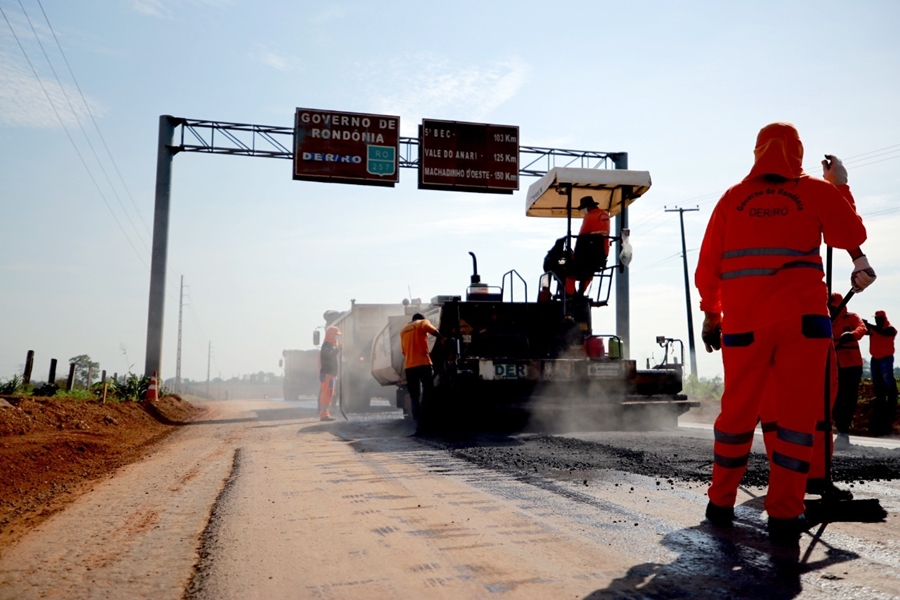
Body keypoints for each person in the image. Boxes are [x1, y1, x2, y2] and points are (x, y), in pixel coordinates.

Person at [695, 122, 874, 543]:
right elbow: (851, 235)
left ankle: (719, 502)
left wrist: (710, 314)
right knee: (796, 420)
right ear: (797, 152)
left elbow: (708, 266)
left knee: (736, 414)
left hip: (743, 326)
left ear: (758, 152)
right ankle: (784, 513)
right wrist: (840, 186)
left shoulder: (732, 199)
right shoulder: (815, 191)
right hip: (803, 325)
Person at [829, 292, 867, 449]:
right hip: (834, 365)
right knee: (836, 398)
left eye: (833, 307)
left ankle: (844, 432)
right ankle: (841, 430)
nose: (831, 309)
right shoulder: (826, 318)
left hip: (852, 365)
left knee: (850, 399)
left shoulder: (851, 317)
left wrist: (851, 335)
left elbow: (862, 328)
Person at [400, 313, 444, 431]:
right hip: (423, 364)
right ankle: (428, 420)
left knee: (414, 396)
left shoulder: (403, 330)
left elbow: (404, 351)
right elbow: (431, 330)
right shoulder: (422, 323)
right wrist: (442, 338)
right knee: (428, 391)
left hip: (409, 366)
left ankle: (419, 425)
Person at [566, 196, 610, 296]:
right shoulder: (605, 215)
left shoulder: (589, 216)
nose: (583, 211)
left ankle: (570, 294)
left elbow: (581, 237)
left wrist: (574, 255)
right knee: (589, 272)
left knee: (568, 271)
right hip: (601, 255)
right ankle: (581, 293)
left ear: (587, 207)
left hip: (586, 256)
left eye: (583, 208)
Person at [865, 310, 897, 436]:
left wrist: (869, 325)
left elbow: (884, 333)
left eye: (879, 318)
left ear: (883, 318)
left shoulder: (890, 329)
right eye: (876, 318)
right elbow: (865, 331)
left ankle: (892, 394)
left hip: (886, 357)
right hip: (875, 357)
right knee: (877, 379)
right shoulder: (874, 329)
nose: (877, 320)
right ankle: (880, 395)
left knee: (887, 377)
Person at [317, 325, 341, 421]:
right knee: (326, 394)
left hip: (330, 374)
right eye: (336, 335)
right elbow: (329, 356)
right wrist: (338, 349)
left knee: (329, 394)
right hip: (327, 374)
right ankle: (324, 414)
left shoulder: (330, 346)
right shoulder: (327, 345)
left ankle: (326, 413)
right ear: (331, 335)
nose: (337, 338)